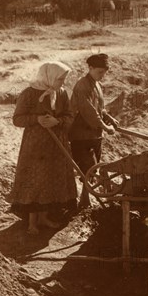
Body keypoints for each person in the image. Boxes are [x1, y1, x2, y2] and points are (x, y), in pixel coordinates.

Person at [10, 61, 77, 234]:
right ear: (49, 76)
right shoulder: (29, 93)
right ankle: (32, 223)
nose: (62, 83)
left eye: (63, 79)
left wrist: (58, 121)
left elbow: (70, 116)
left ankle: (44, 218)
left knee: (50, 181)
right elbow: (17, 119)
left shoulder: (61, 94)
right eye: (60, 79)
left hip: (56, 145)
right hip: (35, 146)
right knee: (36, 182)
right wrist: (36, 119)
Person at [69, 53, 119, 208]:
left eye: (104, 73)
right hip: (81, 134)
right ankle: (84, 200)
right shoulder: (82, 85)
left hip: (95, 134)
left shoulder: (97, 84)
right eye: (99, 72)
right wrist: (105, 126)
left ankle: (87, 199)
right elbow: (89, 111)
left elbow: (100, 109)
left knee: (93, 166)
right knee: (87, 168)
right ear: (90, 68)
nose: (102, 76)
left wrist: (109, 117)